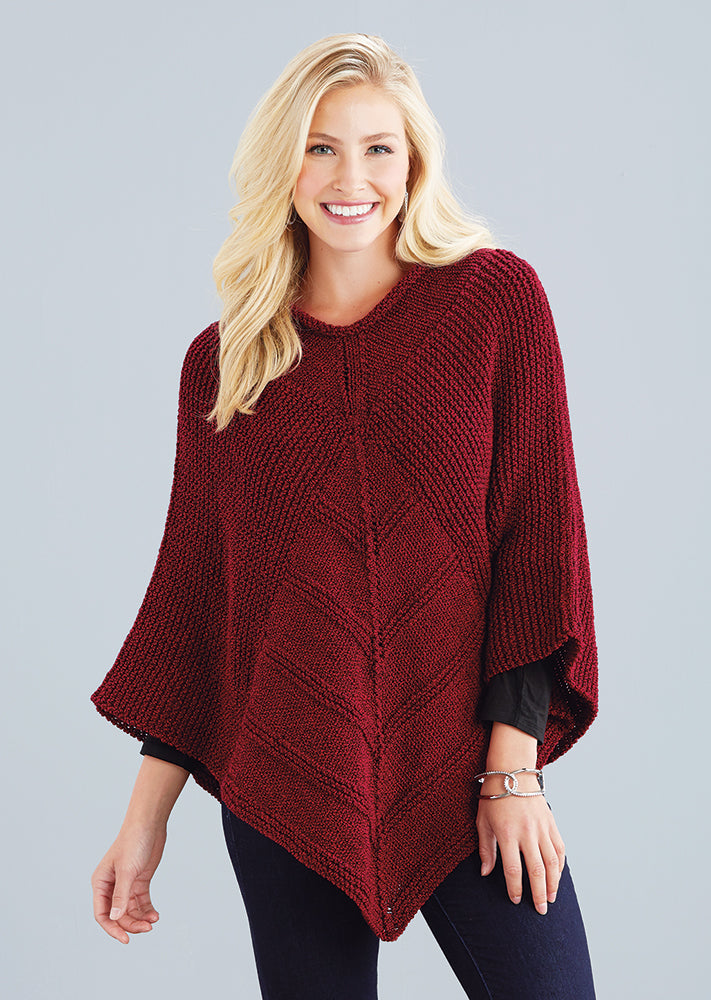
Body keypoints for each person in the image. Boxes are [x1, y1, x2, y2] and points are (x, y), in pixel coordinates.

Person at [90, 33, 599, 999]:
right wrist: (143, 823)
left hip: (467, 769)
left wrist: (512, 771)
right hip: (287, 775)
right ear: (283, 166)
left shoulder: (495, 301)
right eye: (319, 148)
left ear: (412, 165)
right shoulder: (226, 363)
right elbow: (198, 601)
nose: (349, 178)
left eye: (377, 148)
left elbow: (536, 544)